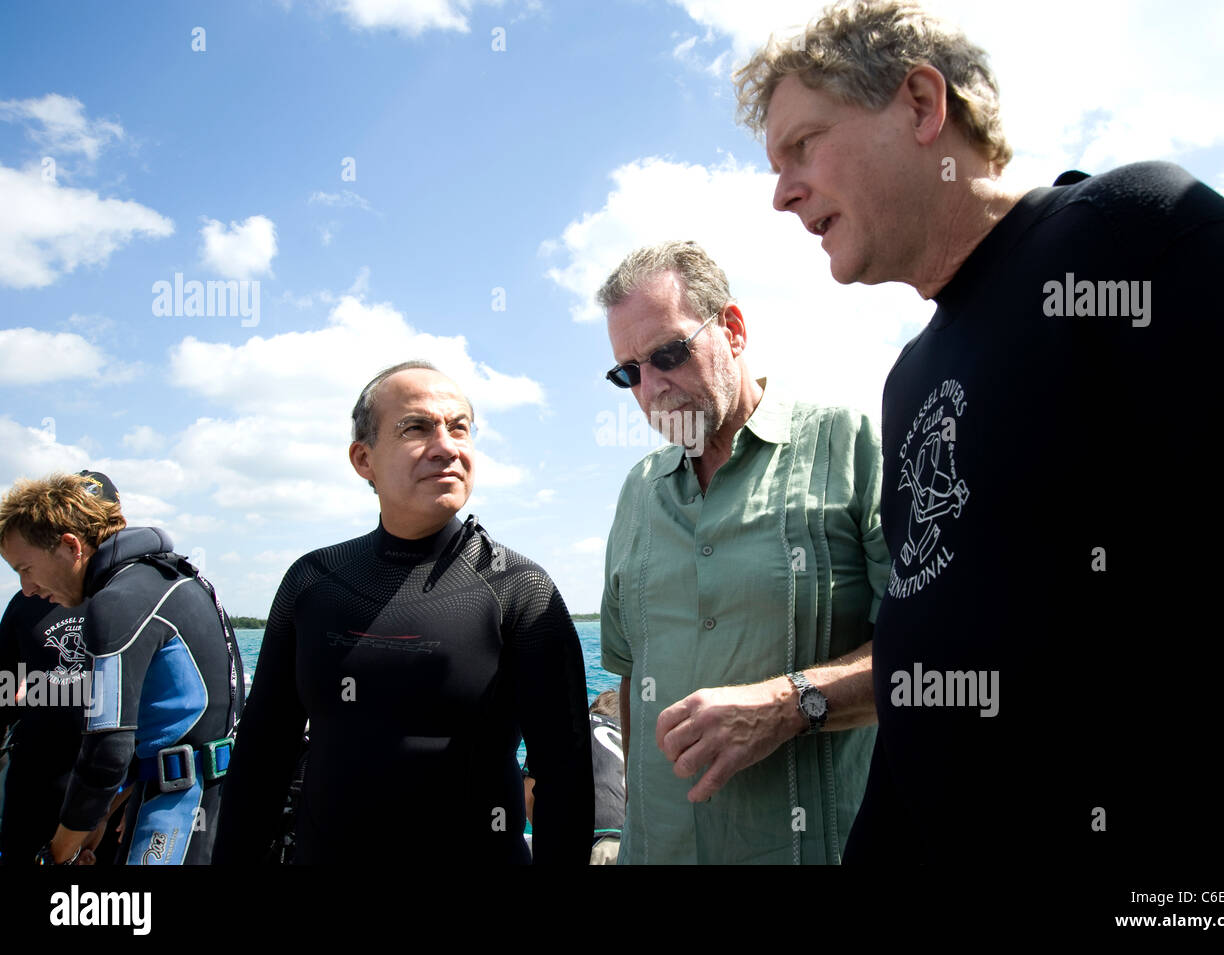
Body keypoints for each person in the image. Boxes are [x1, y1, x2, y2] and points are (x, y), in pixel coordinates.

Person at [735, 0, 1224, 862]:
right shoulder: (909, 377)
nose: (781, 194)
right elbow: (935, 640)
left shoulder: (1134, 230)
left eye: (802, 146)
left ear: (922, 104)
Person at [213, 361, 593, 864]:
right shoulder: (312, 582)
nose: (447, 446)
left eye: (459, 427)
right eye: (416, 427)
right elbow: (262, 755)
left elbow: (564, 776)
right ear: (362, 458)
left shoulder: (519, 590)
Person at [599, 240, 890, 864]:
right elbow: (627, 675)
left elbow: (935, 652)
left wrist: (787, 705)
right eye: (629, 372)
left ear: (732, 329)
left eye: (668, 354)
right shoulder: (635, 494)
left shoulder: (853, 445)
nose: (650, 388)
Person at [0, 473, 244, 865]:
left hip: (167, 814)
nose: (26, 588)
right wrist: (101, 811)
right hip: (201, 802)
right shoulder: (172, 579)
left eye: (25, 568)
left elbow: (107, 753)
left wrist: (57, 853)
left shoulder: (117, 602)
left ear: (69, 546)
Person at [0, 471, 127, 866]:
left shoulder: (131, 597)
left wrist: (121, 800)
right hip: (35, 783)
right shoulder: (28, 600)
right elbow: (3, 687)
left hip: (112, 797)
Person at [523, 689, 625, 864]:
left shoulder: (563, 729)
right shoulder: (628, 738)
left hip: (586, 841)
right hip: (626, 841)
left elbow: (528, 795)